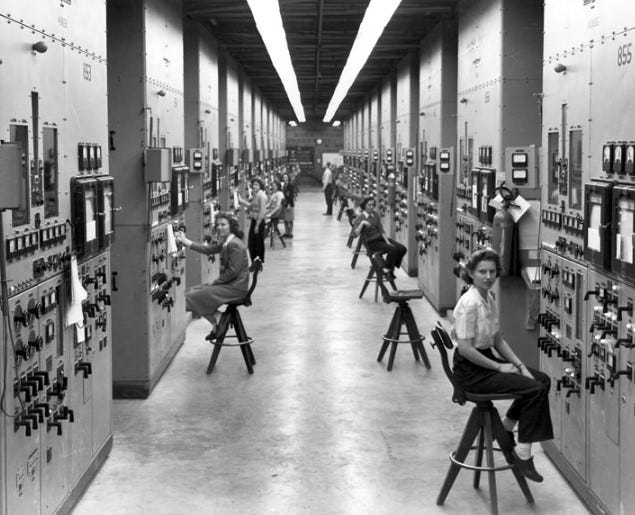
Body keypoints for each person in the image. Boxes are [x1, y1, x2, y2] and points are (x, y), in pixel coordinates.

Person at [451, 248, 553, 483]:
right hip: (471, 370)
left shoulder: (488, 297)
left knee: (541, 380)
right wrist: (499, 368)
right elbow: (465, 349)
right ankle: (524, 453)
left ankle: (507, 424)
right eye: (482, 271)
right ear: (471, 273)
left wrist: (518, 365)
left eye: (492, 271)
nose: (488, 276)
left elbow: (497, 339)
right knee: (535, 390)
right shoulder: (469, 303)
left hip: (485, 358)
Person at [175, 213, 249, 341]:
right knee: (191, 292)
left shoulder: (234, 244)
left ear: (231, 226)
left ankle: (217, 320)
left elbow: (233, 272)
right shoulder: (227, 242)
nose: (219, 227)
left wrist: (215, 283)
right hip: (231, 284)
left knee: (193, 296)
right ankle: (217, 321)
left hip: (236, 288)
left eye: (223, 224)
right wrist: (185, 241)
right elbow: (207, 249)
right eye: (218, 225)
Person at [353, 196, 406, 280]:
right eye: (369, 205)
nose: (371, 207)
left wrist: (387, 241)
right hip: (371, 242)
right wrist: (362, 223)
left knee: (402, 249)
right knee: (393, 249)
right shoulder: (360, 217)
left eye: (373, 205)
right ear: (364, 206)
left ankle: (387, 267)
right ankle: (389, 271)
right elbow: (355, 234)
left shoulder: (375, 214)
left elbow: (381, 230)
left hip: (380, 238)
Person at [238, 178, 267, 263]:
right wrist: (241, 201)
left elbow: (262, 211)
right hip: (255, 220)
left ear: (260, 186)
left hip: (259, 221)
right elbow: (251, 206)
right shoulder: (256, 195)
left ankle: (259, 261)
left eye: (256, 185)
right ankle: (255, 260)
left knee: (258, 242)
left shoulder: (262, 196)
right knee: (252, 243)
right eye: (253, 185)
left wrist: (257, 225)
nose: (254, 186)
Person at [281, 172, 296, 238]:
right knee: (286, 219)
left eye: (286, 177)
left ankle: (290, 233)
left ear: (288, 178)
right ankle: (286, 232)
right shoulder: (284, 185)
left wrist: (289, 204)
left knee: (290, 220)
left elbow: (291, 195)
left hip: (289, 204)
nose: (285, 178)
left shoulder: (290, 185)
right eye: (284, 177)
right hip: (285, 204)